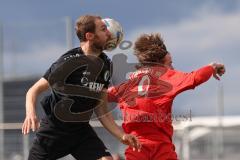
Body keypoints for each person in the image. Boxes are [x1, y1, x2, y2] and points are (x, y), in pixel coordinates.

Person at [22, 15, 141, 160]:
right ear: (90, 36)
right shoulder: (68, 61)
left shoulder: (106, 65)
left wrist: (121, 135)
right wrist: (30, 113)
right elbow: (33, 90)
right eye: (104, 29)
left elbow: (102, 110)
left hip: (81, 132)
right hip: (54, 131)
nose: (109, 33)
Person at [107, 33, 225, 160]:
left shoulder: (126, 86)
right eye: (170, 63)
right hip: (161, 148)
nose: (172, 67)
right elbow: (195, 77)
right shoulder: (167, 76)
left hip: (136, 147)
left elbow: (103, 95)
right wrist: (212, 67)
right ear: (160, 63)